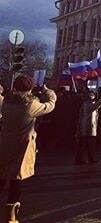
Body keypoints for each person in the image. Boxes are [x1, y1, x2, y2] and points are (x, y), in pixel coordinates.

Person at [0, 76, 57, 223]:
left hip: (5, 143)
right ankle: (10, 216)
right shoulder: (31, 105)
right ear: (30, 89)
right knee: (16, 179)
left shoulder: (5, 102)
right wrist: (48, 92)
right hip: (22, 145)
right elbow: (50, 105)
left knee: (1, 176)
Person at [75, 90, 101, 164]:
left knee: (84, 144)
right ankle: (89, 159)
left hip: (85, 127)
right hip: (88, 128)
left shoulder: (85, 103)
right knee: (89, 144)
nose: (92, 96)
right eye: (91, 95)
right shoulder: (87, 104)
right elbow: (97, 105)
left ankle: (82, 159)